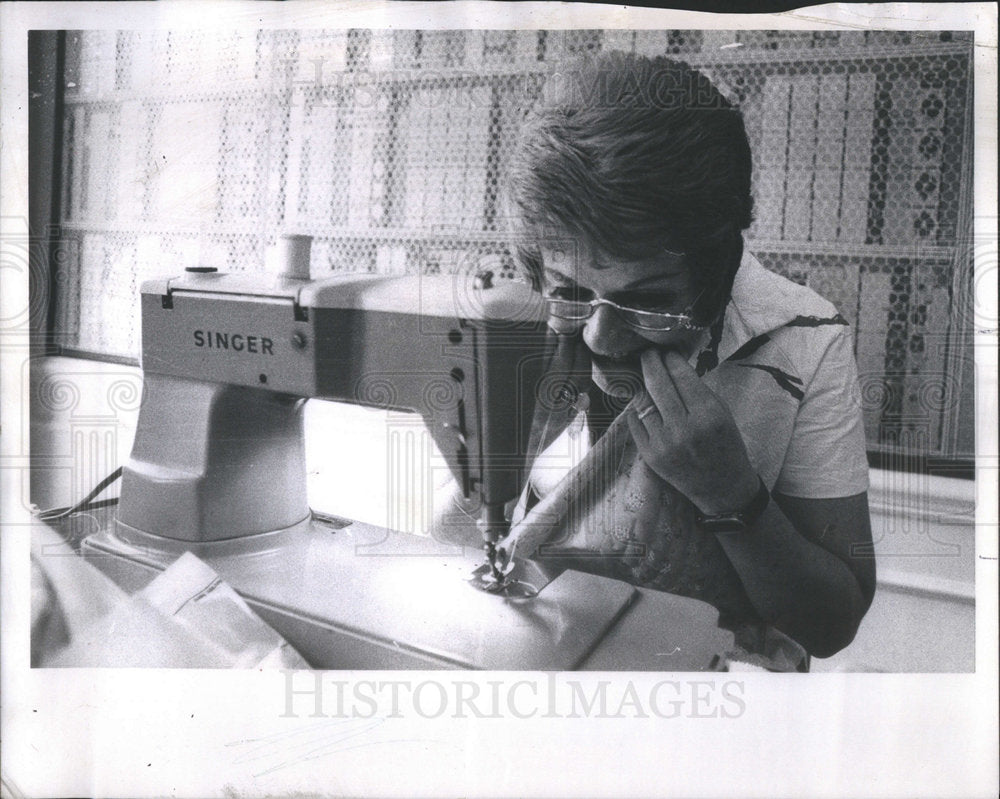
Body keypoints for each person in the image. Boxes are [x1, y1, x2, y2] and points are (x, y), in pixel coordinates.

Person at [499, 51, 875, 665]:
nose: (599, 337)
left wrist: (732, 496)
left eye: (645, 300)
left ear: (716, 272)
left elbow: (832, 625)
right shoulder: (519, 313)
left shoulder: (807, 339)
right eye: (570, 290)